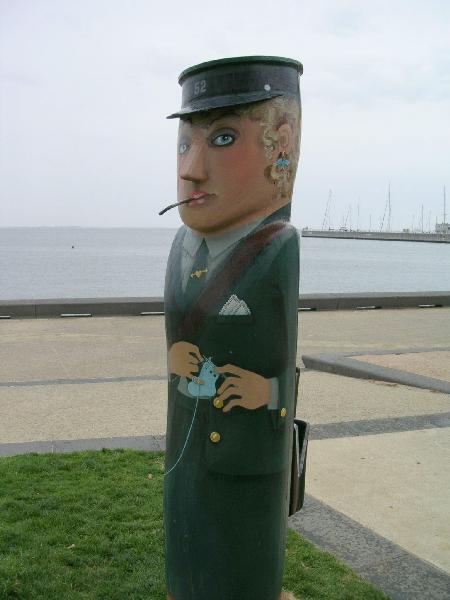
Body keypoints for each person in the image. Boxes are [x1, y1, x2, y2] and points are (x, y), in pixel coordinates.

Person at [162, 56, 303, 600]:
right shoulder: (181, 245)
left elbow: (285, 365)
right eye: (185, 144)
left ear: (281, 144)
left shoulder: (277, 247)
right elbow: (179, 333)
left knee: (239, 560)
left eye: (223, 138)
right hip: (184, 444)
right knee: (187, 549)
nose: (191, 169)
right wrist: (174, 357)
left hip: (244, 458)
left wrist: (269, 391)